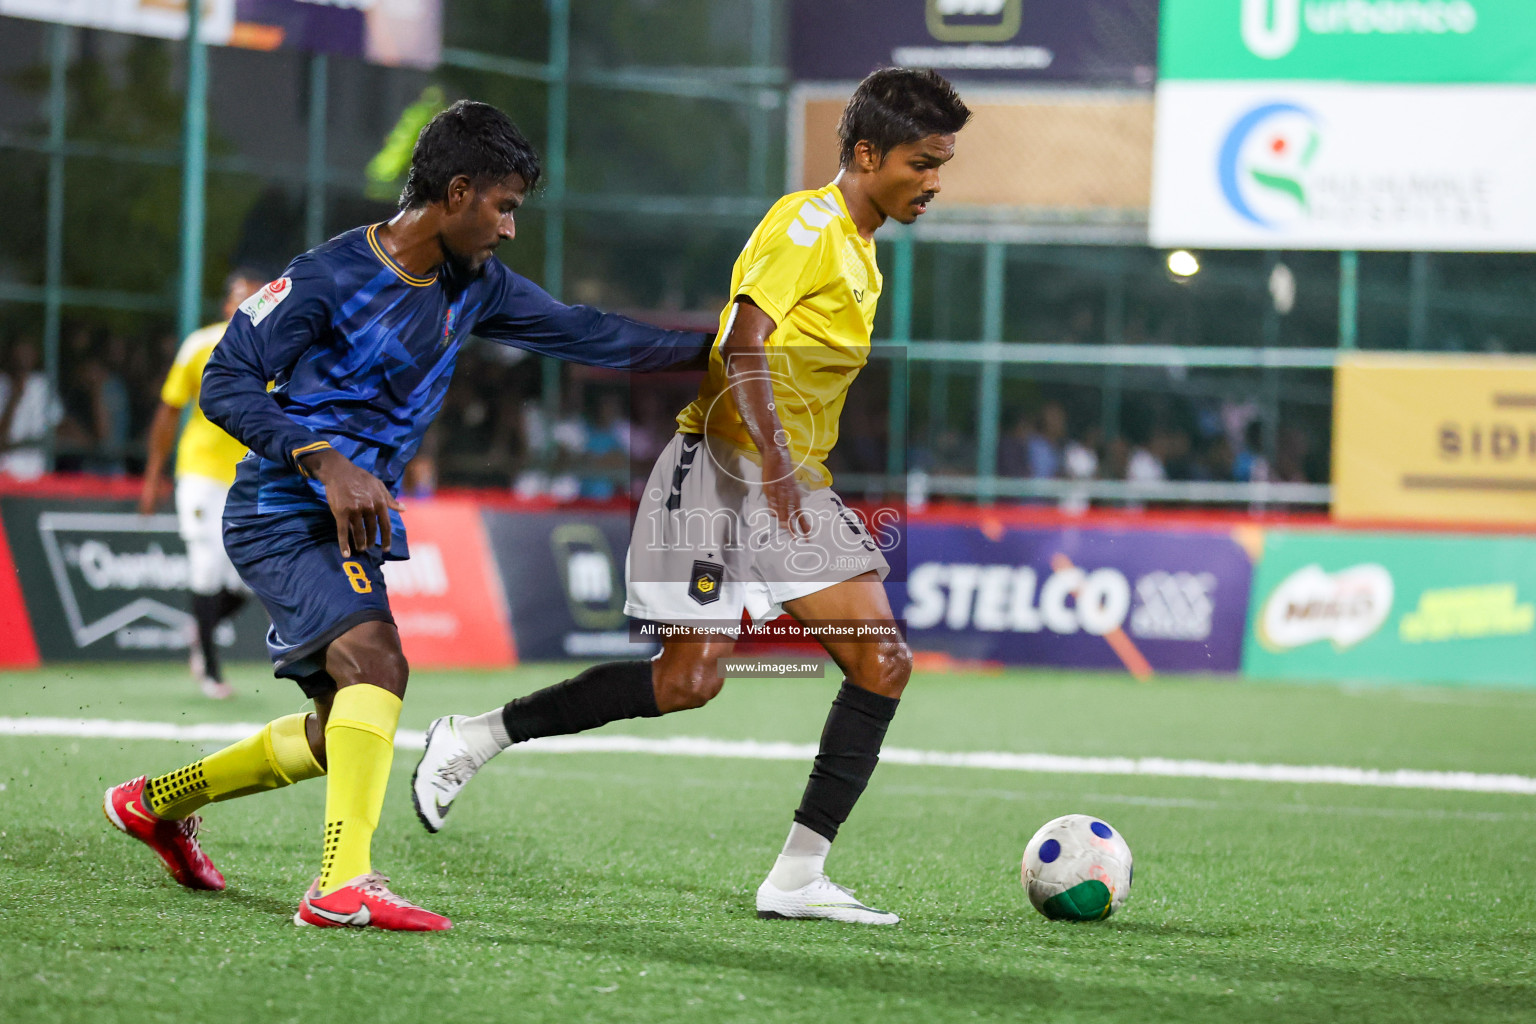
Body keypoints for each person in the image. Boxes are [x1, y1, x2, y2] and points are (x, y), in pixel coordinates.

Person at [100, 100, 710, 932]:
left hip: (347, 523)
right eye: (503, 207)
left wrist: (720, 348)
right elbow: (227, 381)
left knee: (339, 728)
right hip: (281, 509)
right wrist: (322, 457)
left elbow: (586, 332)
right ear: (456, 193)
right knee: (378, 665)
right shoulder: (328, 277)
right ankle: (342, 885)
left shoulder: (476, 285)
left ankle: (154, 804)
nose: (509, 229)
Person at [411, 68, 971, 926]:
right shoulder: (808, 225)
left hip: (786, 483)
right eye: (923, 161)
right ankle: (474, 736)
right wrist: (780, 469)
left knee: (881, 661)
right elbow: (743, 342)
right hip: (722, 470)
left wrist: (791, 474)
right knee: (686, 683)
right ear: (866, 154)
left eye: (943, 163)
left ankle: (796, 878)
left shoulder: (860, 252)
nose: (934, 180)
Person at [139, 269, 267, 699]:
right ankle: (210, 669)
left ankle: (200, 631)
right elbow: (168, 410)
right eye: (240, 298)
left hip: (246, 478)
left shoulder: (279, 348)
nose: (248, 305)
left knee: (247, 581)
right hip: (199, 473)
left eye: (257, 298)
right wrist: (153, 475)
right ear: (227, 305)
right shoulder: (199, 345)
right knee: (207, 563)